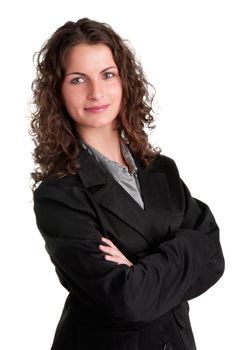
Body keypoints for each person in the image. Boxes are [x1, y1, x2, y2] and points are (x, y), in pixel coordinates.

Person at [30, 18, 224, 350]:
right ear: (58, 91)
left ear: (124, 81)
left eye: (108, 75)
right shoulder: (58, 195)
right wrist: (185, 248)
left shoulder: (162, 170)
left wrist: (142, 270)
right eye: (78, 80)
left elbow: (214, 258)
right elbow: (128, 300)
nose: (96, 92)